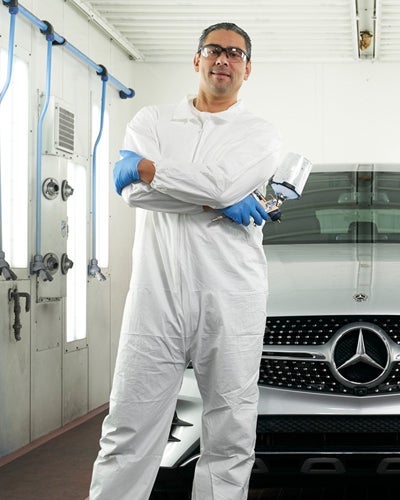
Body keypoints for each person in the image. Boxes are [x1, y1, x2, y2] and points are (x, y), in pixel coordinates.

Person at [88, 22, 282, 500]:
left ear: (248, 69)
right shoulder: (151, 121)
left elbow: (150, 181)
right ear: (197, 60)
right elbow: (134, 195)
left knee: (230, 430)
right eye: (214, 50)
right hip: (157, 294)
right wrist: (219, 198)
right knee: (129, 425)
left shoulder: (260, 134)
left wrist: (150, 168)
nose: (224, 59)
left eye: (235, 54)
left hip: (231, 294)